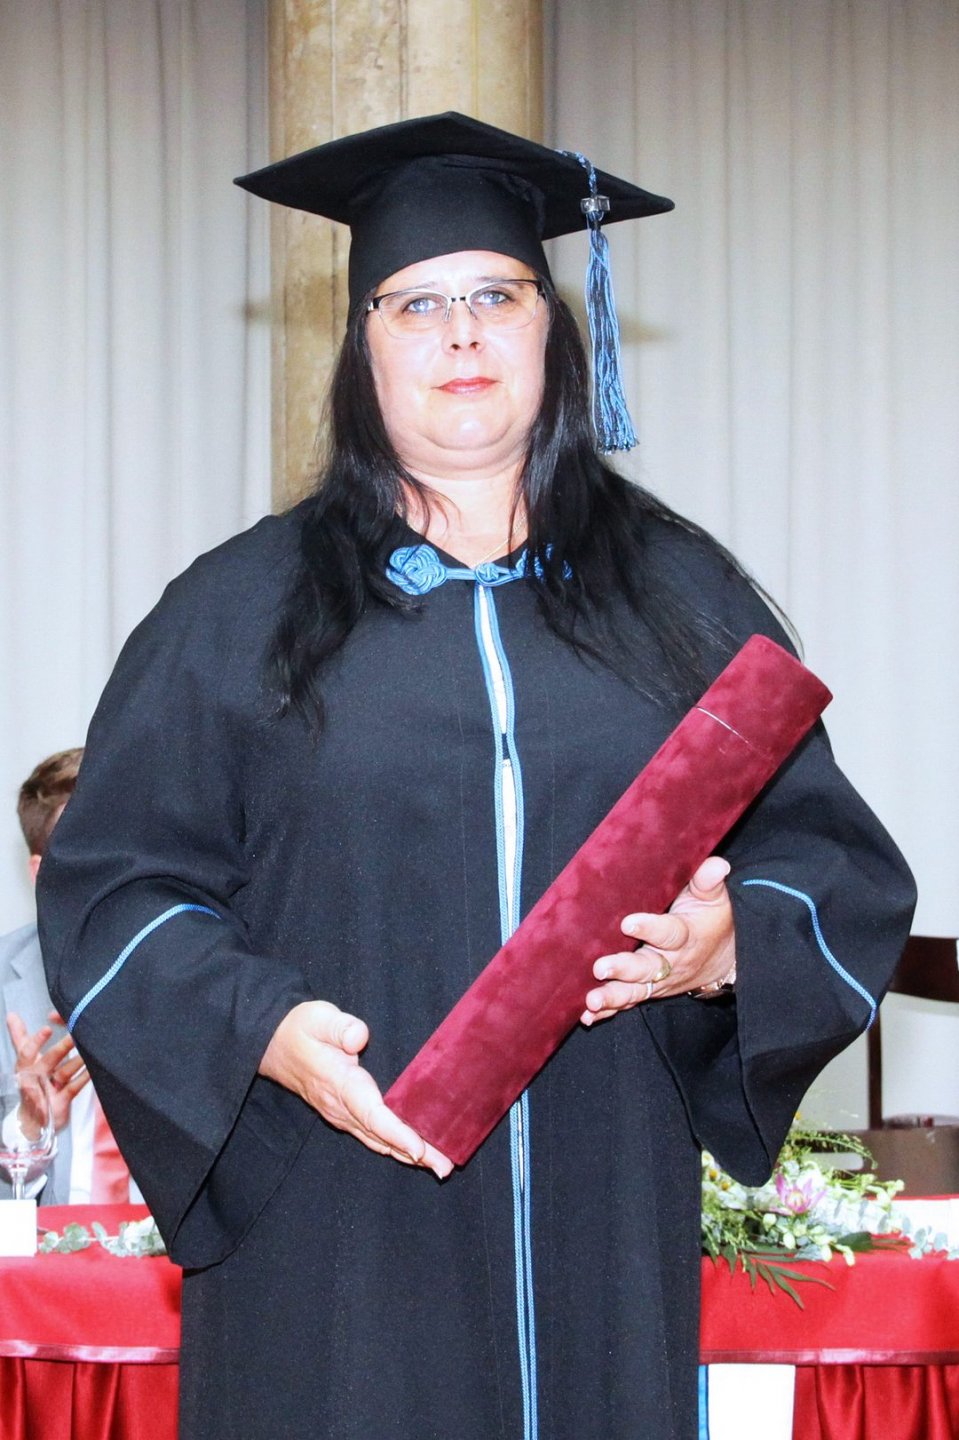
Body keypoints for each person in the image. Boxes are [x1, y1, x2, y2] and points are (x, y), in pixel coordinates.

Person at [37, 114, 915, 1440]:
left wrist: (729, 943)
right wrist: (260, 1028)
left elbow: (826, 863)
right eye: (417, 303)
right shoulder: (234, 614)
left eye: (497, 296)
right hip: (332, 1225)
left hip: (601, 1211)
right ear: (362, 346)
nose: (461, 333)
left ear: (552, 330)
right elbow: (113, 895)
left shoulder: (675, 597)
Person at [1, 747, 132, 1205]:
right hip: (50, 1240)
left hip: (170, 1243)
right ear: (42, 874)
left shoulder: (197, 974)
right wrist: (30, 1130)